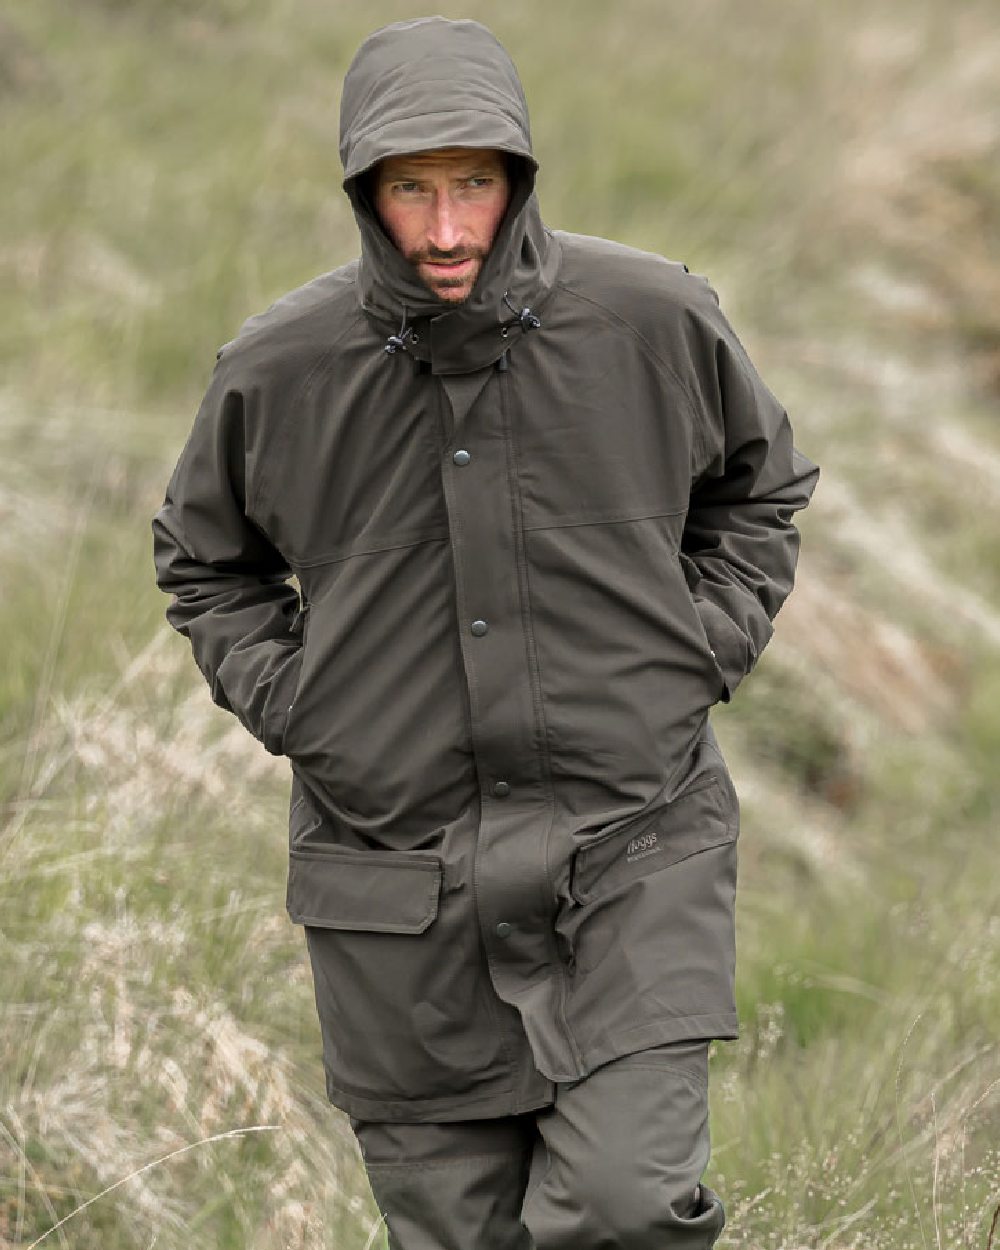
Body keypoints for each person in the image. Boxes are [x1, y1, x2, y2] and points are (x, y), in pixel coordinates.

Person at [152, 15, 819, 1249]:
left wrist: (696, 651)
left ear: (518, 177)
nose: (448, 229)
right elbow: (203, 561)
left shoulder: (650, 319)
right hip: (393, 879)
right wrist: (311, 712)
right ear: (365, 191)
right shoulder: (278, 369)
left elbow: (759, 487)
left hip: (632, 842)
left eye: (473, 185)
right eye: (413, 191)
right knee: (456, 1234)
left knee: (624, 1204)